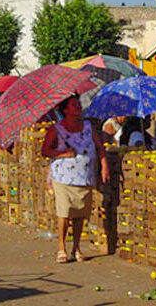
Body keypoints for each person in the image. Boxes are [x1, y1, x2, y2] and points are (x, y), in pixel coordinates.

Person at [41, 94, 110, 263]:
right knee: (64, 213)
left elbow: (100, 147)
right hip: (63, 178)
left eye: (78, 104)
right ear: (65, 110)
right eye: (74, 105)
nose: (78, 107)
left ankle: (76, 247)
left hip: (85, 176)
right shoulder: (56, 129)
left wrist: (104, 165)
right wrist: (63, 153)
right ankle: (61, 248)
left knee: (80, 213)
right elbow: (45, 151)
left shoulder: (88, 127)